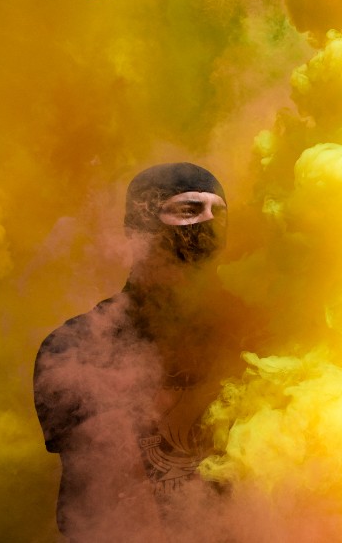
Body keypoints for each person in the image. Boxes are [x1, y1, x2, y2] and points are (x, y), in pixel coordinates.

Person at [33, 162, 263, 540]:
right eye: (188, 210)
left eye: (218, 212)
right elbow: (97, 495)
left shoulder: (258, 336)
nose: (208, 223)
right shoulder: (77, 349)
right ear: (139, 227)